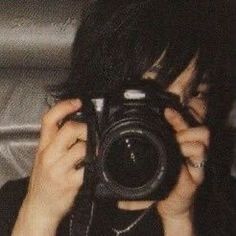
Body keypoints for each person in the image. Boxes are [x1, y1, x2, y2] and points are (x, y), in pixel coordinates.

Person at [0, 0, 235, 235]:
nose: (174, 111)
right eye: (153, 88)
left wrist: (180, 220)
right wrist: (40, 215)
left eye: (197, 93)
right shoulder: (25, 201)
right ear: (97, 95)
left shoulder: (224, 209)